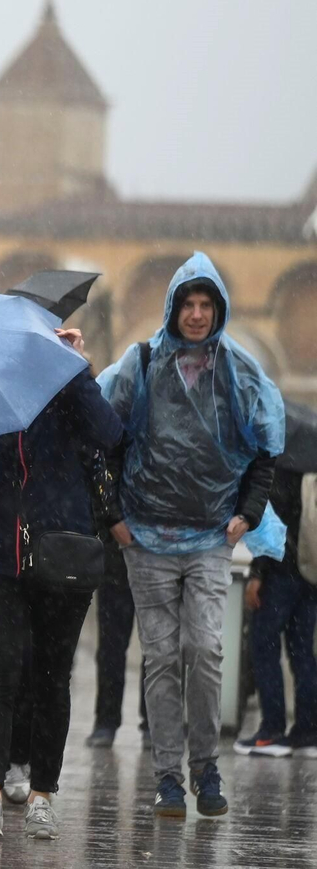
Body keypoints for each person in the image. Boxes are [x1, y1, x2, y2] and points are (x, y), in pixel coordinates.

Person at [99, 252, 284, 819]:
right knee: (158, 658)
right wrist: (114, 519)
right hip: (146, 539)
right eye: (189, 304)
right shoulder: (141, 363)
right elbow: (102, 442)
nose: (197, 315)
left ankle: (206, 769)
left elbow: (266, 451)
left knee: (203, 649)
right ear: (173, 308)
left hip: (208, 535)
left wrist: (246, 516)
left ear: (218, 309)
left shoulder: (239, 370)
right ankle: (167, 778)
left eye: (206, 305)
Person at [0, 330, 124, 841]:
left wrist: (76, 371)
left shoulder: (71, 386)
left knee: (52, 679)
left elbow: (110, 433)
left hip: (61, 557)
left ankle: (43, 795)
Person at [235, 467, 317, 757]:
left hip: (280, 573)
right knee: (303, 651)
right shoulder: (311, 467)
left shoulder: (279, 469)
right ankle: (307, 732)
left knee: (264, 645)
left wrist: (257, 574)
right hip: (311, 572)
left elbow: (269, 525)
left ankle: (271, 731)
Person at [87, 534, 150, 748]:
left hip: (156, 560)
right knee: (110, 649)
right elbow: (102, 504)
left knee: (157, 649)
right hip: (116, 557)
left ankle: (153, 722)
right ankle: (106, 720)